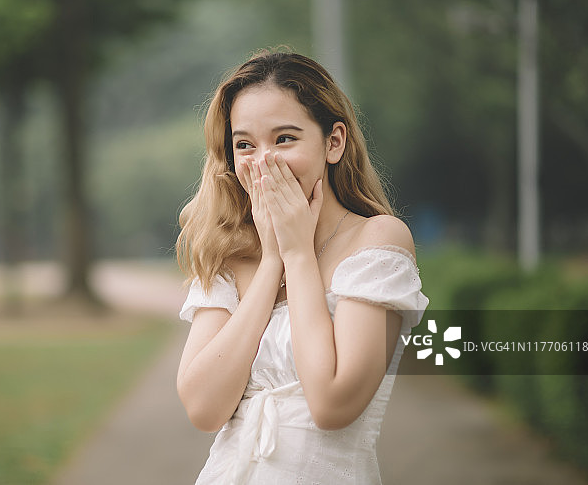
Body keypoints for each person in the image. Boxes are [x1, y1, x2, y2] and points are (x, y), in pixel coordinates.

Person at [175, 50, 429, 484]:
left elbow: (331, 404)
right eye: (244, 145)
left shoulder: (376, 241)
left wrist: (297, 255)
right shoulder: (229, 254)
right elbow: (202, 408)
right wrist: (273, 260)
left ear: (333, 142)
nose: (263, 162)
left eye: (285, 139)